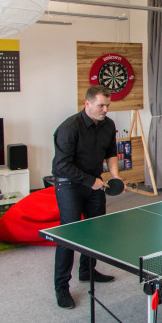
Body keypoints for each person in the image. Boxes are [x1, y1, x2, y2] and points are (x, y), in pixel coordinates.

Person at [52, 85, 123, 309]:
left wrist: (115, 176)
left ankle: (87, 271)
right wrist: (91, 181)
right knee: (69, 235)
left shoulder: (108, 125)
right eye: (101, 105)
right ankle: (61, 287)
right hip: (69, 184)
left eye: (108, 105)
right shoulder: (68, 128)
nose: (105, 110)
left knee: (94, 231)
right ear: (87, 104)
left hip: (95, 183)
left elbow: (111, 153)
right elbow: (61, 165)